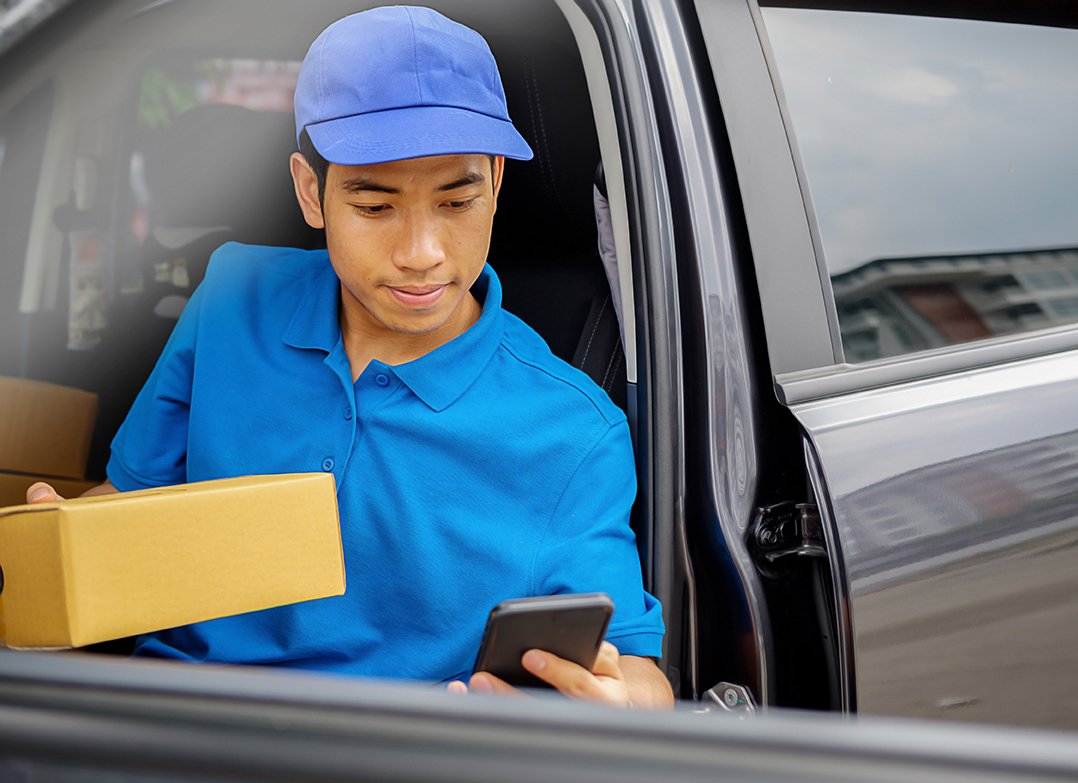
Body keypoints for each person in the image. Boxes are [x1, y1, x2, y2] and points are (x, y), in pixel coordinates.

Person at [27, 5, 672, 709]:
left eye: (456, 201)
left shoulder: (574, 430)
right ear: (313, 191)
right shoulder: (233, 300)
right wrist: (51, 543)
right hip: (169, 722)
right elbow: (128, 504)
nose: (421, 253)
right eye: (374, 206)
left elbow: (641, 676)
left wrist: (612, 703)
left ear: (494, 182)